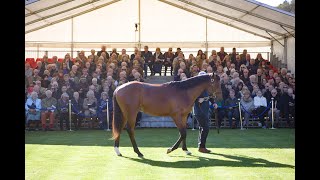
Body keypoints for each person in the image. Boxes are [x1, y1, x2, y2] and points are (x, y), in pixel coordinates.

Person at [193, 71, 218, 153]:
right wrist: (198, 100)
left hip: (205, 110)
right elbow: (192, 98)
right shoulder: (196, 88)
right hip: (199, 111)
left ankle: (201, 146)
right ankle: (202, 147)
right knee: (206, 128)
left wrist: (214, 103)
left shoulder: (207, 87)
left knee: (202, 127)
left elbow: (210, 96)